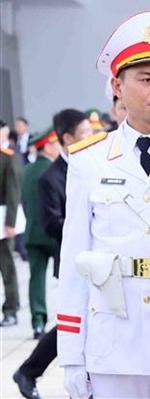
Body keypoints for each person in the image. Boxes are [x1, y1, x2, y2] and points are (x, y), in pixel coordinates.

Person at [57, 11, 150, 399]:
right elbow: (74, 260)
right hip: (114, 338)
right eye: (146, 79)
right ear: (117, 85)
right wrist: (71, 354)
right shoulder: (88, 160)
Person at [12, 110, 92, 399]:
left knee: (83, 323)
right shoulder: (50, 176)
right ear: (67, 139)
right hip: (72, 263)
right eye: (86, 133)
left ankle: (29, 371)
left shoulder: (91, 167)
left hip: (99, 263)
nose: (92, 138)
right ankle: (29, 371)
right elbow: (51, 223)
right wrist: (88, 225)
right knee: (75, 323)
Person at [20, 127, 60, 339]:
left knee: (36, 278)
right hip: (55, 234)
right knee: (65, 278)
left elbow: (24, 203)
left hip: (33, 232)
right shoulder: (56, 169)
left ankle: (37, 322)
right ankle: (65, 320)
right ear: (49, 146)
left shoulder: (26, 171)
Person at [0, 119, 23, 327]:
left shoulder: (8, 158)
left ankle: (11, 309)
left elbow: (13, 192)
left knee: (6, 265)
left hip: (2, 218)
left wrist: (10, 222)